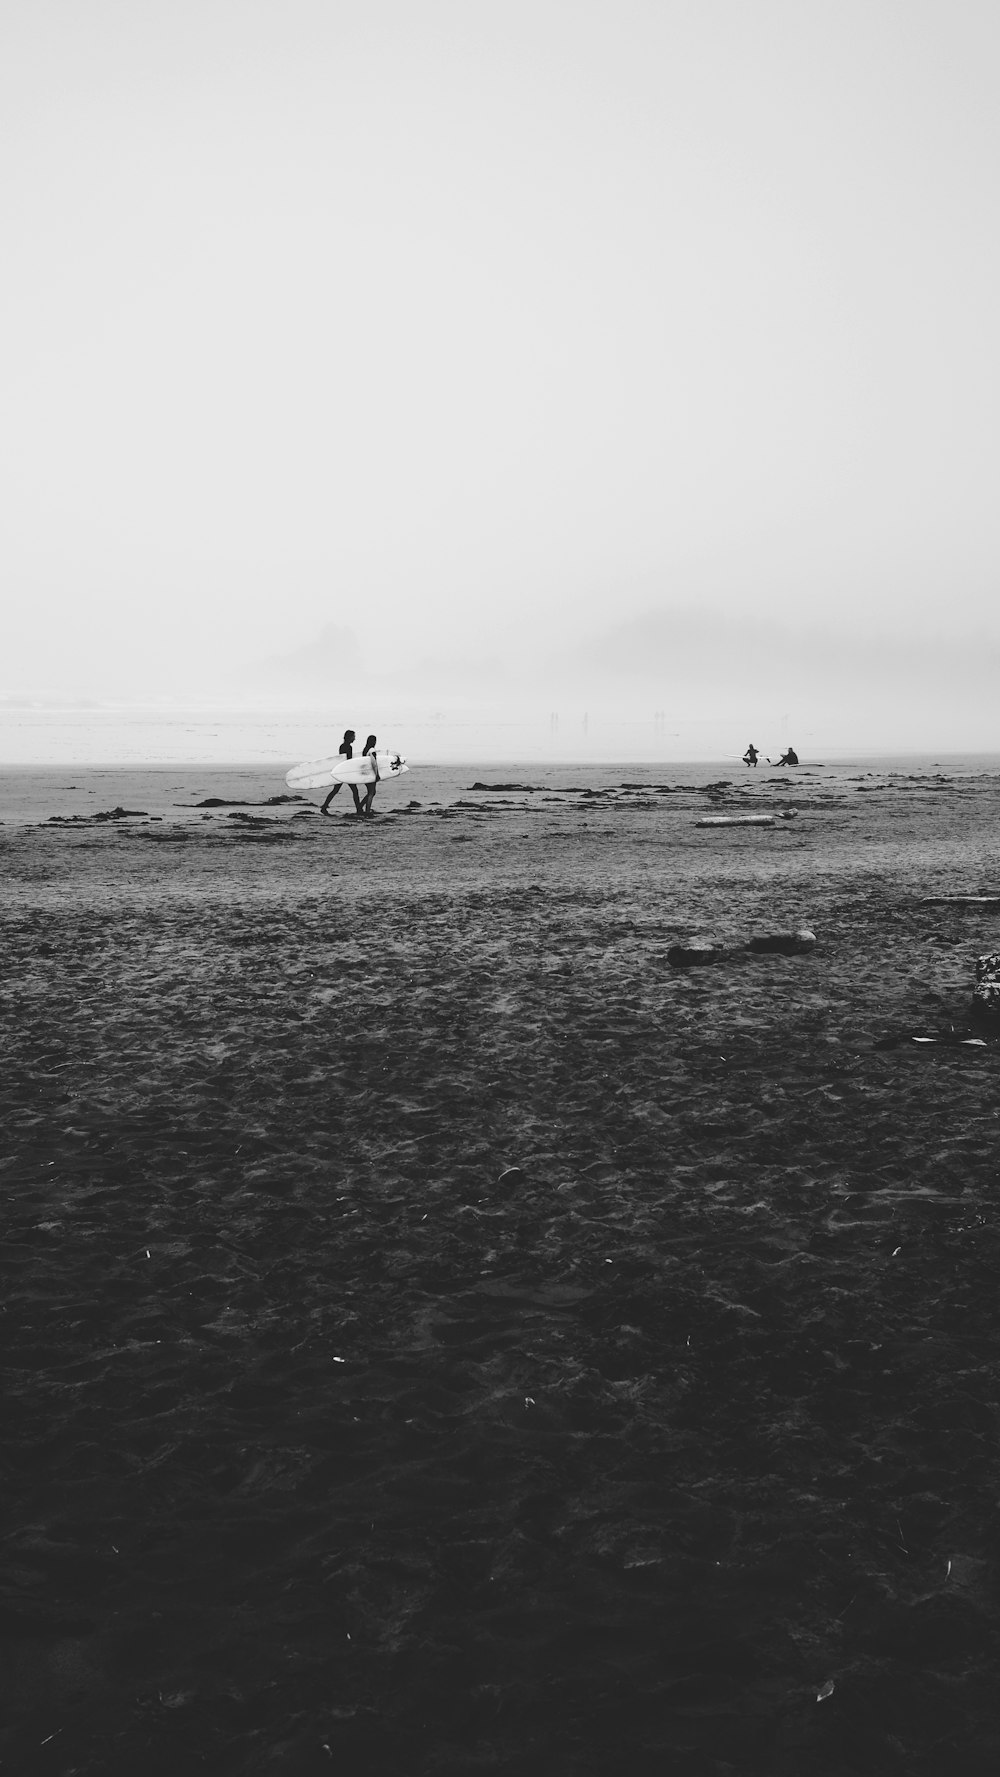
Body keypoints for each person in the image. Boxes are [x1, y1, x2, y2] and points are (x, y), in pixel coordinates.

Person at [321, 729, 363, 816]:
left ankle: (324, 807)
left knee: (336, 790)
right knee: (355, 791)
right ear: (349, 737)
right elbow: (348, 761)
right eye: (353, 736)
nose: (354, 738)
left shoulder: (342, 746)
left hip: (341, 771)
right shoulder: (349, 747)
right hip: (346, 772)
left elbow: (341, 759)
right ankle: (359, 809)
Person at [359, 735, 379, 818]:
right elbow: (374, 763)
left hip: (365, 773)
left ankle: (360, 806)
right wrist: (377, 774)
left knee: (371, 792)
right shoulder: (372, 750)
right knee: (371, 792)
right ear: (373, 742)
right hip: (370, 773)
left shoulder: (365, 750)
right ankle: (367, 810)